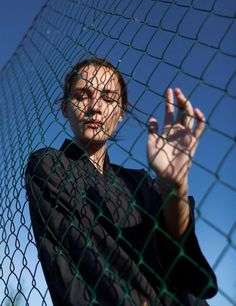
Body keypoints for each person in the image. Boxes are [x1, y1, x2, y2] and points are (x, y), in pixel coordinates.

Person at [25, 58, 218, 306]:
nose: (95, 106)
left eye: (108, 98)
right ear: (65, 107)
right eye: (83, 95)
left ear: (120, 113)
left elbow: (177, 249)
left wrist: (175, 184)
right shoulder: (49, 165)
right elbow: (84, 260)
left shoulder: (139, 182)